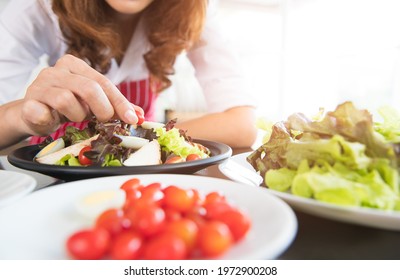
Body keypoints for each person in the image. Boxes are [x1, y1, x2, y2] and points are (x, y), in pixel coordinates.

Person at [0, 0, 257, 150]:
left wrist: (142, 137)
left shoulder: (191, 9)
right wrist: (21, 117)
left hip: (141, 175)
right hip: (51, 177)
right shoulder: (35, 8)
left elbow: (242, 124)